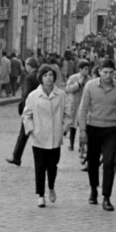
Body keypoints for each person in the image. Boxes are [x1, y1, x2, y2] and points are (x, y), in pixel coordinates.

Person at [76, 61, 116, 211]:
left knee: (109, 162)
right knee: (92, 163)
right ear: (99, 71)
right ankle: (93, 190)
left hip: (111, 130)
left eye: (111, 72)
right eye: (105, 72)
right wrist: (82, 131)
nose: (108, 76)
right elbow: (83, 109)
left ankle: (106, 197)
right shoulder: (90, 86)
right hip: (93, 128)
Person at [21, 65, 68, 207]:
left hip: (55, 138)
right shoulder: (33, 96)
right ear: (41, 78)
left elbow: (68, 115)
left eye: (51, 75)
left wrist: (63, 130)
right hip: (39, 137)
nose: (49, 78)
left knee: (52, 167)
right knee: (39, 167)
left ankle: (51, 187)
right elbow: (26, 115)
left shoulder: (61, 95)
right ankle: (40, 195)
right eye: (46, 75)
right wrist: (32, 130)